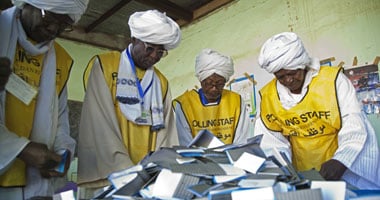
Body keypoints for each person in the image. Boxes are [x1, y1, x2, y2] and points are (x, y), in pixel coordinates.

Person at [254, 32, 380, 189]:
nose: (288, 80)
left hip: (341, 166)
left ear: (302, 65)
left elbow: (353, 122)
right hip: (303, 172)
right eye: (281, 77)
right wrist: (283, 172)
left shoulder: (333, 80)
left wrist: (341, 160)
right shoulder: (268, 97)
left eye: (292, 73)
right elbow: (272, 142)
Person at [77, 9, 181, 194]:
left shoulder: (161, 82)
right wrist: (126, 171)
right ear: (134, 40)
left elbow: (166, 135)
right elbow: (100, 123)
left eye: (160, 52)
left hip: (148, 179)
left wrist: (155, 170)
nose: (154, 56)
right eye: (150, 48)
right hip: (112, 175)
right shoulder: (105, 65)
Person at [0, 0, 89, 199]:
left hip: (36, 184)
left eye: (63, 25)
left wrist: (63, 152)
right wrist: (20, 149)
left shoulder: (61, 59)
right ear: (27, 4)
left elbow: (59, 117)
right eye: (48, 17)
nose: (53, 29)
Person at [173, 49, 252, 146]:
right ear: (201, 80)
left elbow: (242, 139)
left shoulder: (236, 101)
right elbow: (185, 143)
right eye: (209, 83)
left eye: (219, 83)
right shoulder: (183, 104)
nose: (214, 88)